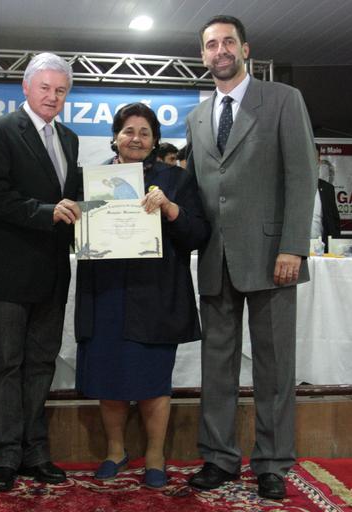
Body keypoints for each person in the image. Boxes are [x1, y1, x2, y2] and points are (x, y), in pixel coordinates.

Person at [185, 15, 316, 500]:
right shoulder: (197, 116)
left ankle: (273, 462)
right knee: (215, 367)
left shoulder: (283, 99)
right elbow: (198, 190)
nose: (219, 50)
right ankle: (219, 458)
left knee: (274, 367)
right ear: (203, 55)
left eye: (228, 42)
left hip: (272, 257)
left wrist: (293, 246)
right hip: (215, 258)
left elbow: (302, 175)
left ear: (245, 49)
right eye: (210, 44)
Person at [75, 103, 210, 487]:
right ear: (115, 136)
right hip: (105, 293)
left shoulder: (175, 179)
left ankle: (155, 455)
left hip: (155, 294)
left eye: (144, 132)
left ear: (154, 140)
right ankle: (115, 451)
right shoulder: (93, 179)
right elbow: (76, 232)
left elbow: (198, 233)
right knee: (108, 376)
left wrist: (170, 208)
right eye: (128, 131)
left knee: (153, 379)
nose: (136, 139)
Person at [0, 52, 81, 492]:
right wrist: (45, 212)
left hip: (53, 271)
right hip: (9, 271)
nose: (52, 96)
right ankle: (5, 454)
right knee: (7, 365)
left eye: (61, 90)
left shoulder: (69, 138)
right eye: (45, 88)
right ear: (26, 87)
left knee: (41, 364)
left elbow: (71, 198)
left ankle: (35, 451)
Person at [310, 146, 341, 251]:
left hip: (321, 248)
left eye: (314, 158)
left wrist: (334, 247)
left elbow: (334, 222)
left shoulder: (328, 189)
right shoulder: (290, 187)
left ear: (318, 161)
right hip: (295, 249)